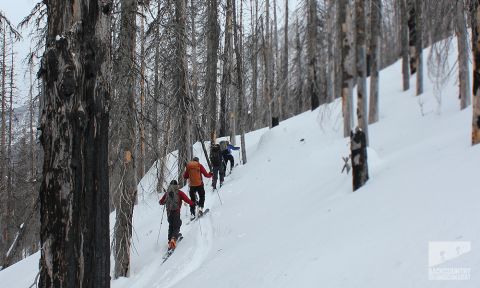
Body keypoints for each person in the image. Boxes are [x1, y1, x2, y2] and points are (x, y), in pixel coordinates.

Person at [159, 180, 194, 249]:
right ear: (176, 185)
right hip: (176, 212)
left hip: (169, 212)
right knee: (177, 225)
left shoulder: (167, 193)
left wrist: (163, 202)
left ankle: (170, 240)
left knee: (171, 225)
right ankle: (173, 239)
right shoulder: (179, 192)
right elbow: (186, 199)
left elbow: (161, 202)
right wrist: (193, 203)